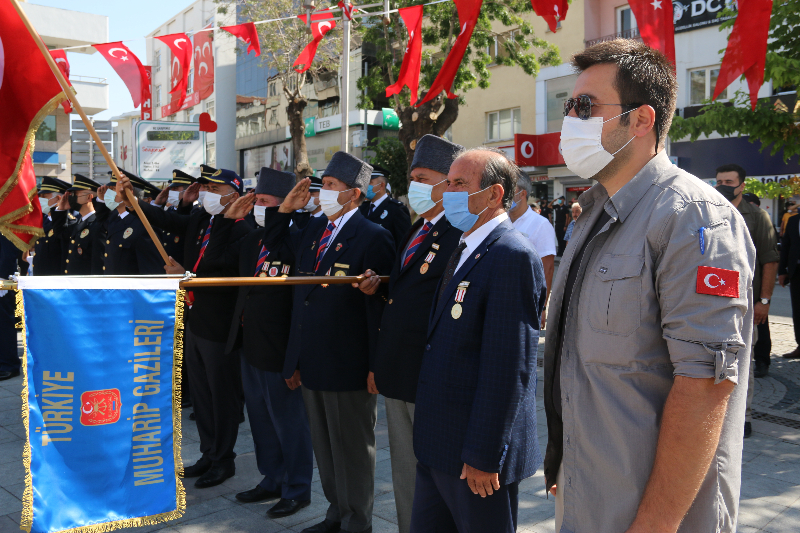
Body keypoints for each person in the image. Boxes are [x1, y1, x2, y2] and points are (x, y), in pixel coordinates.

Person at [544, 40, 755, 533]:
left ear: (641, 120)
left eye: (586, 107)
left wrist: (655, 525)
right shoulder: (594, 213)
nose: (571, 120)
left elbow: (703, 387)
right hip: (589, 498)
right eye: (569, 107)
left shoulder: (693, 218)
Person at [410, 147, 546, 532]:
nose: (448, 192)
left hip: (475, 457)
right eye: (448, 182)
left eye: (459, 184)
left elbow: (509, 367)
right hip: (440, 444)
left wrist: (484, 454)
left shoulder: (511, 255)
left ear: (494, 194)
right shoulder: (466, 245)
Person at [262, 151, 395, 533]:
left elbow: (380, 309)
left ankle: (358, 521)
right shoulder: (316, 230)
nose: (323, 193)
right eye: (323, 185)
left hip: (349, 363)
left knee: (352, 448)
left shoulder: (373, 236)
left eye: (332, 187)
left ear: (354, 194)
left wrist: (375, 365)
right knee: (325, 446)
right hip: (314, 359)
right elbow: (277, 247)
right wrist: (285, 209)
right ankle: (336, 512)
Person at [355, 134, 464, 533]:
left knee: (431, 476)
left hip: (428, 373)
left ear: (448, 181)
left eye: (423, 176)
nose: (413, 184)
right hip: (401, 371)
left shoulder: (458, 233)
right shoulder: (420, 228)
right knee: (405, 471)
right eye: (412, 176)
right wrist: (381, 284)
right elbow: (409, 291)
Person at [119, 168, 251, 489]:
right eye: (204, 186)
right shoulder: (201, 220)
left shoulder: (243, 229)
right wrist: (133, 200)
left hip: (221, 325)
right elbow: (164, 221)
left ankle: (224, 459)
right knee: (203, 395)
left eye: (213, 187)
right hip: (195, 319)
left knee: (222, 397)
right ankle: (208, 453)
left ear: (234, 195)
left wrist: (187, 274)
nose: (205, 192)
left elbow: (218, 267)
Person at [203, 167, 313, 519]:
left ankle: (297, 487)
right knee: (261, 420)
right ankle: (272, 477)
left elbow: (301, 301)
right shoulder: (251, 238)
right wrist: (224, 221)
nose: (256, 207)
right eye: (256, 200)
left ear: (285, 205)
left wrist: (295, 358)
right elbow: (212, 267)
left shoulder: (299, 237)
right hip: (249, 343)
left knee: (289, 422)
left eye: (264, 202)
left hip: (280, 348)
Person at [715, 164, 778, 426]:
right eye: (719, 181)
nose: (722, 186)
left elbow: (770, 260)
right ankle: (717, 414)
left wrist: (764, 301)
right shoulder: (709, 210)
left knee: (743, 361)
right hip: (714, 298)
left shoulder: (756, 216)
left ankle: (744, 417)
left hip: (746, 301)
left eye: (728, 181)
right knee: (713, 359)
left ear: (741, 185)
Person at [508, 171, 557, 328]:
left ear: (522, 194)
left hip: (525, 302)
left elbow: (547, 269)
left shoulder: (540, 225)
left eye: (509, 190)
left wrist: (542, 307)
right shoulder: (499, 220)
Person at [96, 172, 164, 275]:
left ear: (129, 193)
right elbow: (100, 224)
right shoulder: (115, 218)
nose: (109, 193)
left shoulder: (143, 224)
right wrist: (101, 201)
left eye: (114, 189)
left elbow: (151, 269)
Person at [51, 174, 108, 275]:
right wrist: (61, 210)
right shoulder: (79, 222)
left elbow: (98, 261)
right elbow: (60, 233)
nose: (71, 198)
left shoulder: (97, 224)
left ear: (89, 197)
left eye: (75, 194)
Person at [359, 165, 411, 246]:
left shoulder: (396, 209)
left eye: (370, 182)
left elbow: (404, 243)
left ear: (382, 185)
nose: (365, 186)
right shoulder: (362, 208)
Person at [33, 177, 71, 276]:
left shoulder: (67, 222)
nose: (40, 199)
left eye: (44, 196)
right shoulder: (43, 220)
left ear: (59, 198)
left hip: (55, 280)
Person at [779, 212, 800, 360]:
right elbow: (785, 246)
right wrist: (782, 271)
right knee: (798, 311)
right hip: (796, 272)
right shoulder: (793, 221)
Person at [0, 235, 21, 381]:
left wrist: (3, 278)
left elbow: (8, 250)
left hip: (2, 279)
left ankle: (9, 364)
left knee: (4, 321)